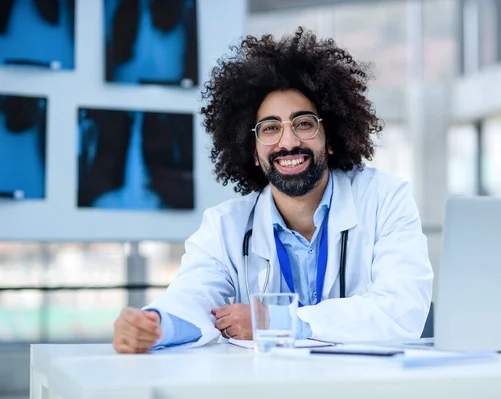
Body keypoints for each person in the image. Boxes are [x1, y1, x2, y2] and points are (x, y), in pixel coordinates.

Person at [112, 27, 433, 354]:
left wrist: (277, 322)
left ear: (331, 137)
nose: (289, 141)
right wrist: (153, 325)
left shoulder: (384, 199)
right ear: (252, 151)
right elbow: (193, 297)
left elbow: (403, 308)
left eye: (304, 123)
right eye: (270, 128)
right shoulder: (226, 226)